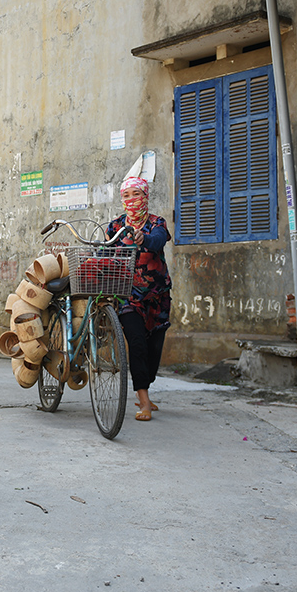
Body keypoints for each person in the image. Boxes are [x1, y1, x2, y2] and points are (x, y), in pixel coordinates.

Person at [106, 176, 171, 421]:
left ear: (145, 196)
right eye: (126, 195)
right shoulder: (115, 227)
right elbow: (106, 250)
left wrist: (144, 239)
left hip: (157, 295)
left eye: (136, 194)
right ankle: (143, 401)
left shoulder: (157, 223)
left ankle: (147, 390)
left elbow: (157, 241)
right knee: (136, 342)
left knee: (154, 347)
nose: (131, 199)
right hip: (128, 296)